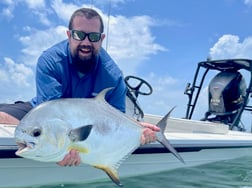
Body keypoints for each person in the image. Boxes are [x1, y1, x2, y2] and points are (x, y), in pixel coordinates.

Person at [0, 8, 160, 166]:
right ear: (69, 35)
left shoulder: (113, 76)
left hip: (88, 128)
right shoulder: (50, 61)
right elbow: (51, 117)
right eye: (79, 35)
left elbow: (116, 119)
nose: (86, 42)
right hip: (44, 113)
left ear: (102, 38)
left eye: (94, 37)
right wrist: (60, 148)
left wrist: (137, 130)